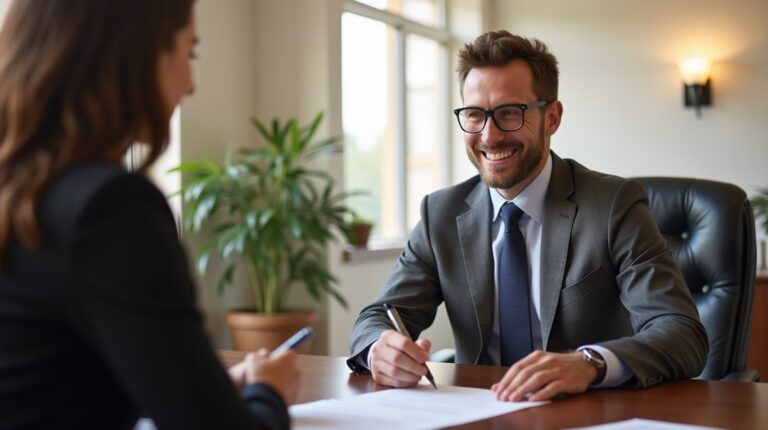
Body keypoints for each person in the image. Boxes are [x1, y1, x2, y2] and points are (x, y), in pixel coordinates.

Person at [348, 30, 708, 402]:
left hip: (584, 413)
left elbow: (682, 332)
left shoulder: (613, 205)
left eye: (509, 113)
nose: (489, 136)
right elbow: (377, 316)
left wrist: (590, 363)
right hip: (474, 410)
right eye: (474, 115)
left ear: (551, 117)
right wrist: (380, 349)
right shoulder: (441, 213)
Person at [0, 1, 299, 429]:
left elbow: (53, 386)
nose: (191, 84)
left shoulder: (22, 195)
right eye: (189, 52)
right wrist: (269, 392)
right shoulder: (109, 209)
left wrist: (198, 391)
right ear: (137, 53)